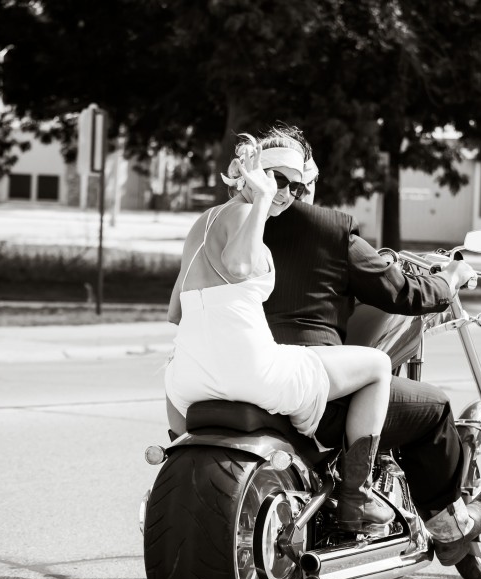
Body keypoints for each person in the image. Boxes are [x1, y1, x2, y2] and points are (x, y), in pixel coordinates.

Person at [256, 125, 481, 566]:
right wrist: (448, 278)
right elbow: (404, 294)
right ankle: (448, 527)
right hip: (311, 383)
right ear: (306, 182)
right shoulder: (330, 231)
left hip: (242, 373)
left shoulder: (229, 225)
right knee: (433, 409)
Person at [164, 132, 393, 530]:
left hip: (186, 379)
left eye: (297, 184)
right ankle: (355, 499)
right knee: (377, 365)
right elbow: (238, 266)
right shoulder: (243, 215)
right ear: (250, 175)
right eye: (277, 179)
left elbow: (175, 310)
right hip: (251, 371)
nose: (287, 192)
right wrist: (262, 200)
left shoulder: (203, 222)